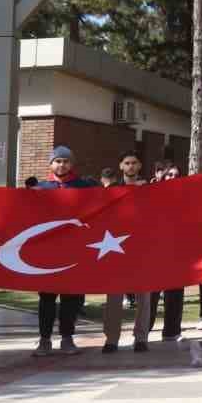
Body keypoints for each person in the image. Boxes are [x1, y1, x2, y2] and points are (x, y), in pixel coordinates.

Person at [34, 146, 95, 357]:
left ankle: (67, 338)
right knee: (47, 298)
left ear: (72, 164)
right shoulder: (40, 189)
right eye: (58, 161)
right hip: (48, 253)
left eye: (66, 161)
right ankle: (44, 340)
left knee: (71, 298)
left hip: (74, 251)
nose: (62, 165)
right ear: (50, 164)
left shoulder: (84, 187)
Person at [100, 151, 152, 354]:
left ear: (139, 166)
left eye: (134, 163)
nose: (130, 166)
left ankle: (141, 338)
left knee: (144, 296)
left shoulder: (149, 188)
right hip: (115, 247)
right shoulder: (111, 189)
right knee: (114, 295)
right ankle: (111, 339)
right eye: (127, 163)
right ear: (121, 166)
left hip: (141, 248)